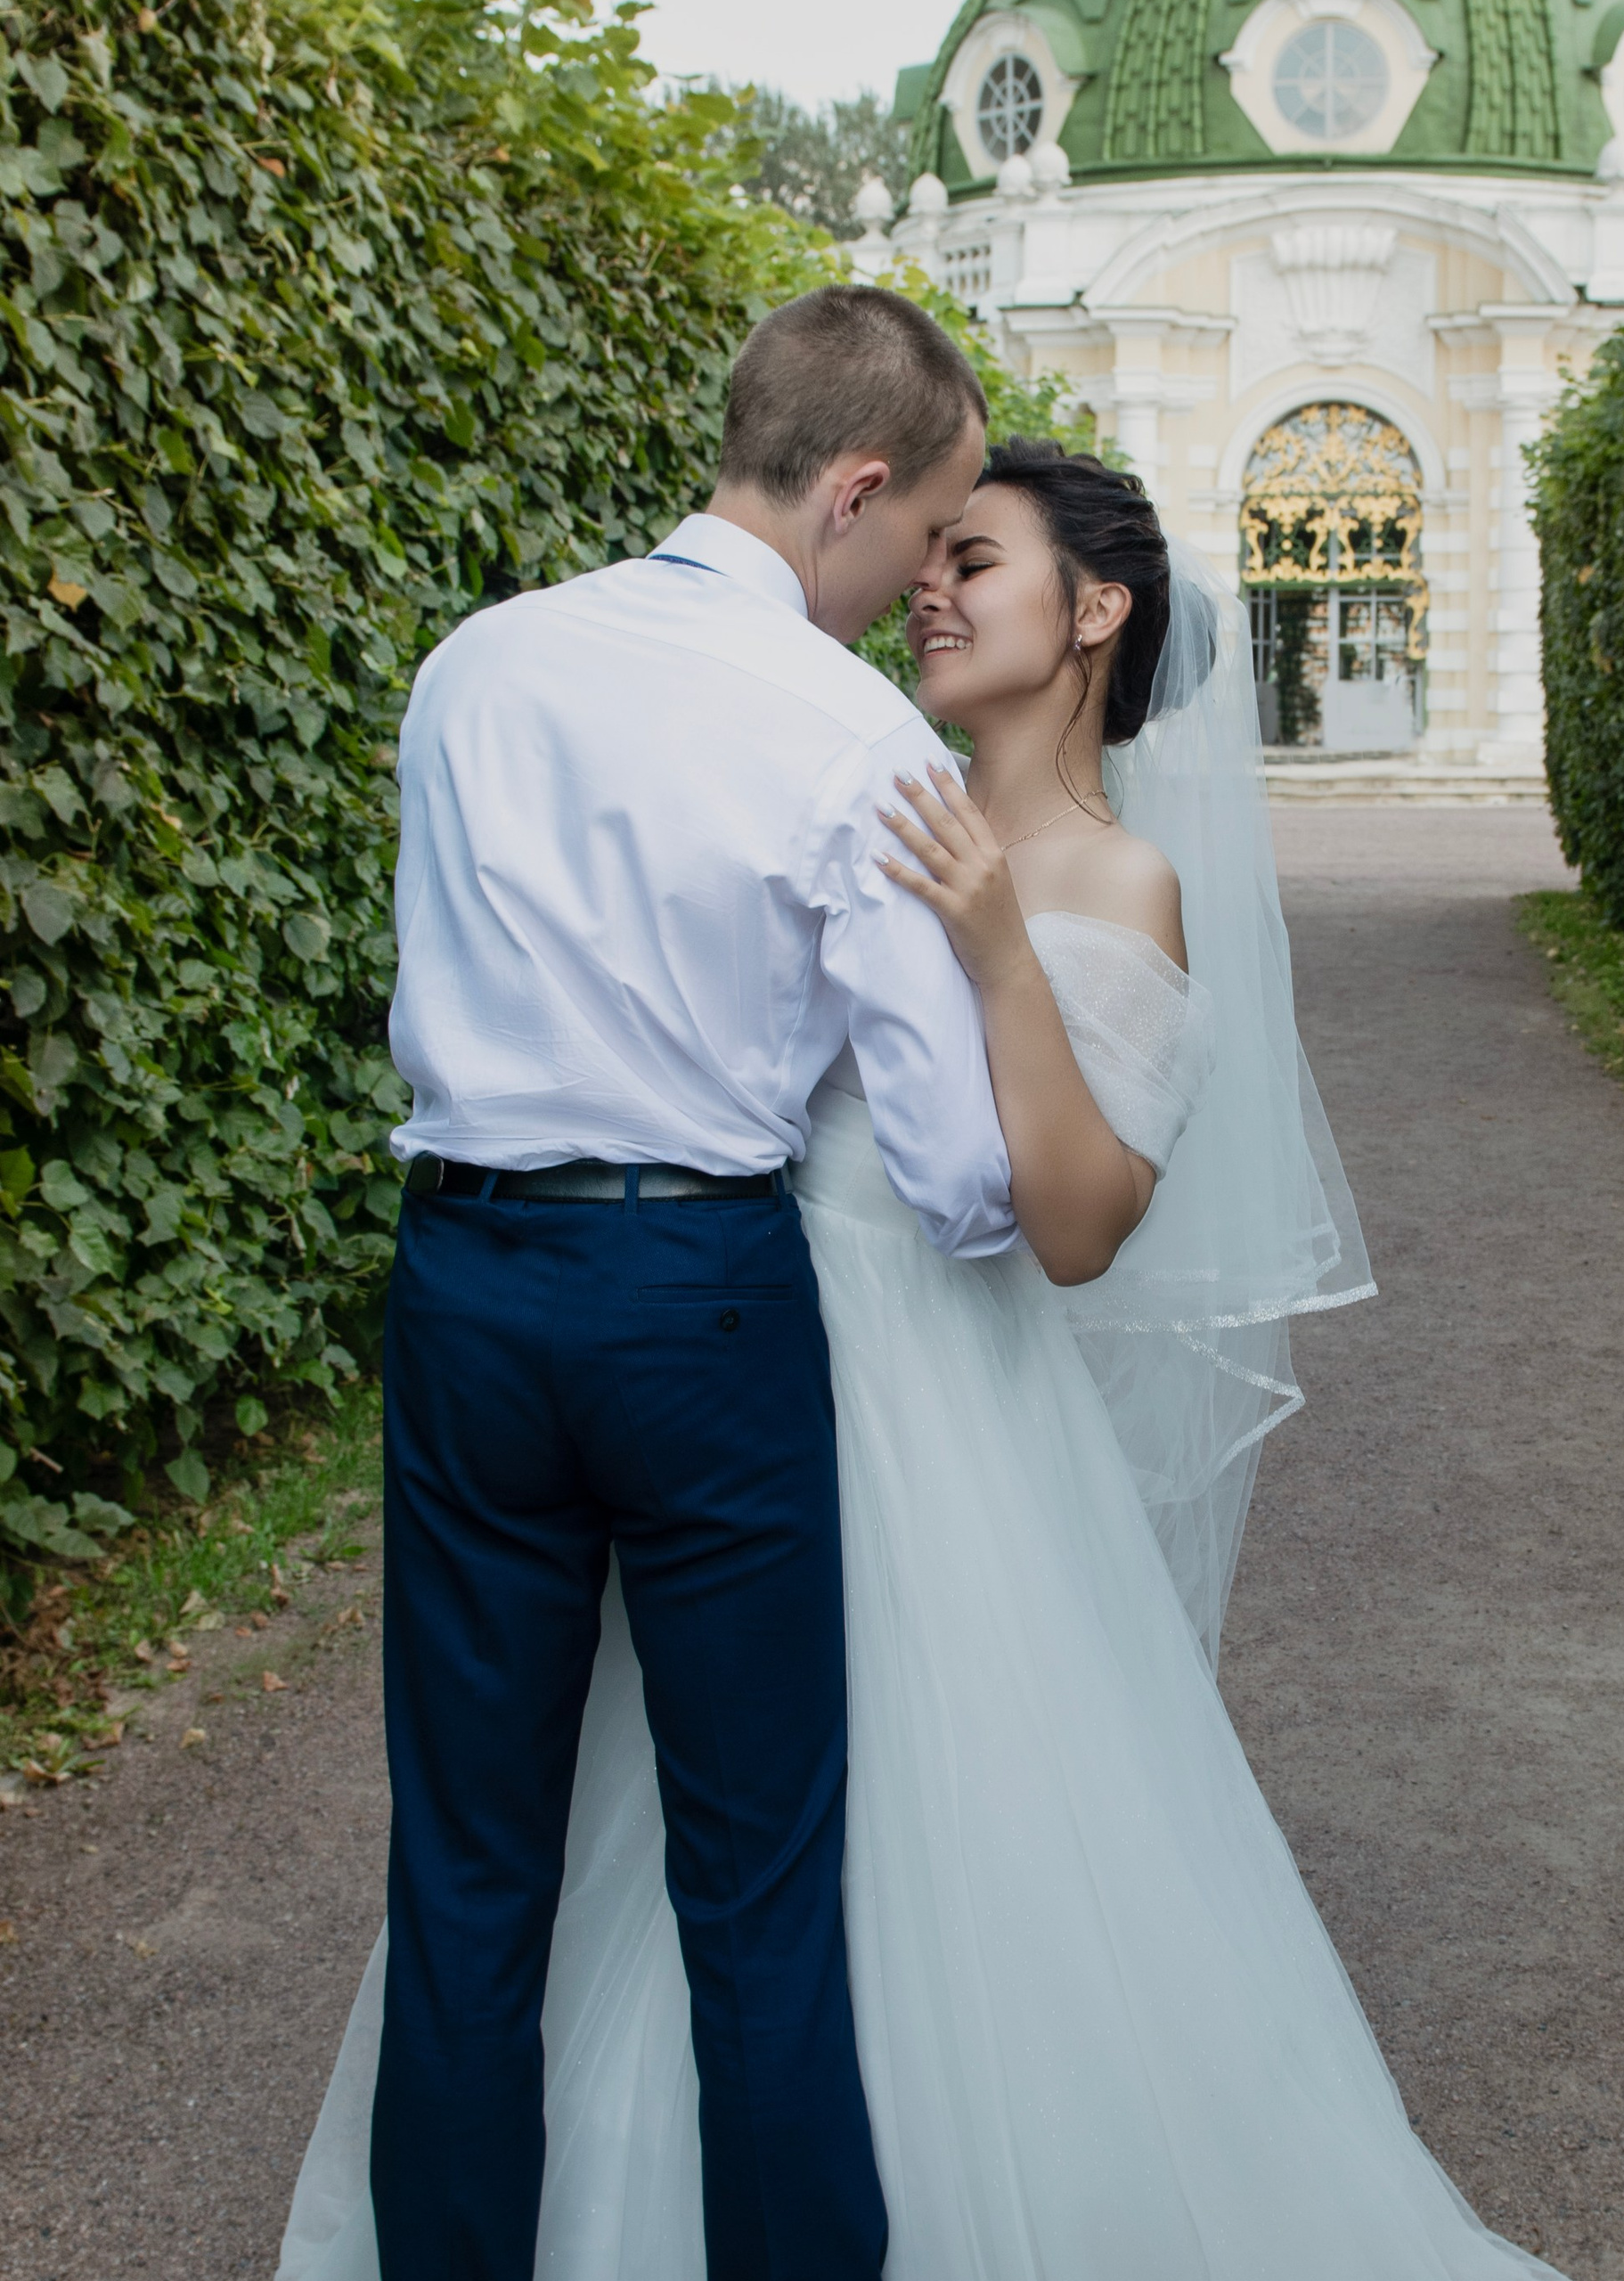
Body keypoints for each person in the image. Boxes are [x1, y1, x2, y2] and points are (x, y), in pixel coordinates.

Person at [280, 439, 1569, 2281]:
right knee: (643, 1838)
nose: (930, 592)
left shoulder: (1112, 881)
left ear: (1094, 613)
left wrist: (992, 949)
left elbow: (1077, 1218)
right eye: (931, 555)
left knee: (870, 1861)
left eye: (979, 562)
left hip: (922, 1416)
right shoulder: (842, 768)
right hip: (718, 1363)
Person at [337, 283, 1007, 2281]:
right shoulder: (849, 727)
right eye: (917, 539)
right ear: (853, 489)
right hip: (697, 1295)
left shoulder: (477, 662)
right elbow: (964, 1176)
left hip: (463, 1273)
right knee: (756, 1883)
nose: (911, 593)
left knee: (465, 1868)